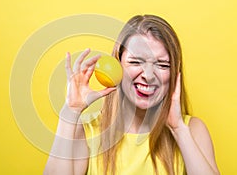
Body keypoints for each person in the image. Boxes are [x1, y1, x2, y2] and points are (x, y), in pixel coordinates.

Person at [44, 15, 220, 175]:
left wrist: (178, 129)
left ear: (175, 73)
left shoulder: (192, 130)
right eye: (136, 61)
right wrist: (70, 112)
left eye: (162, 65)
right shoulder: (89, 132)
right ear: (118, 64)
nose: (148, 75)